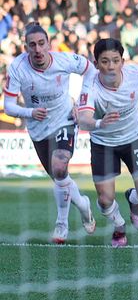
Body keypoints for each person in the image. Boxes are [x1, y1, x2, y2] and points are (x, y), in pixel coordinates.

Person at [2, 23, 95, 243]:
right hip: (38, 128)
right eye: (32, 45)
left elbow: (90, 70)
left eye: (41, 43)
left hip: (64, 120)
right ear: (26, 48)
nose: (38, 49)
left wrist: (82, 104)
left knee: (60, 167)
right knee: (59, 177)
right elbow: (9, 106)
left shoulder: (64, 60)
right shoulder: (17, 68)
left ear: (49, 44)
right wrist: (30, 112)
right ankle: (83, 204)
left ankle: (61, 225)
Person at [76, 38, 138, 248]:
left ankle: (133, 200)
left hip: (134, 138)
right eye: (105, 61)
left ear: (122, 61)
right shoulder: (90, 86)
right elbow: (83, 120)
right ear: (96, 63)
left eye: (115, 61)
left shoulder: (134, 74)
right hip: (103, 143)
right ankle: (119, 226)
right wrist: (100, 122)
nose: (111, 66)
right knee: (105, 200)